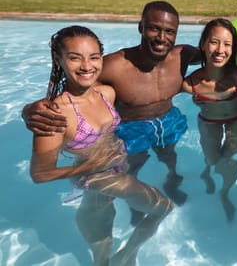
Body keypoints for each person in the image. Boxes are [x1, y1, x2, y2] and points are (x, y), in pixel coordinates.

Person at [23, 1, 201, 224]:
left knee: (169, 155)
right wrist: (29, 109)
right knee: (131, 166)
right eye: (154, 28)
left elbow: (220, 53)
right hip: (132, 127)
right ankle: (135, 204)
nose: (161, 37)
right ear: (141, 27)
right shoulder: (112, 65)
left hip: (168, 119)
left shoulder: (183, 55)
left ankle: (172, 179)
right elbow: (77, 87)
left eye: (169, 31)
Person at [30, 25, 173, 266]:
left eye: (94, 57)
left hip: (112, 175)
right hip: (95, 177)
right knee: (163, 207)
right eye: (75, 58)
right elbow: (40, 174)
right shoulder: (55, 114)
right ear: (59, 59)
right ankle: (127, 255)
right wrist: (89, 167)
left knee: (105, 219)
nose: (87, 66)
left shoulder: (106, 93)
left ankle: (122, 256)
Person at [181, 18, 237, 222]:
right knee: (213, 159)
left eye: (227, 44)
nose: (220, 49)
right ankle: (207, 168)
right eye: (214, 42)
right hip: (209, 120)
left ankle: (225, 192)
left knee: (228, 157)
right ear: (203, 45)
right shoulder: (191, 83)